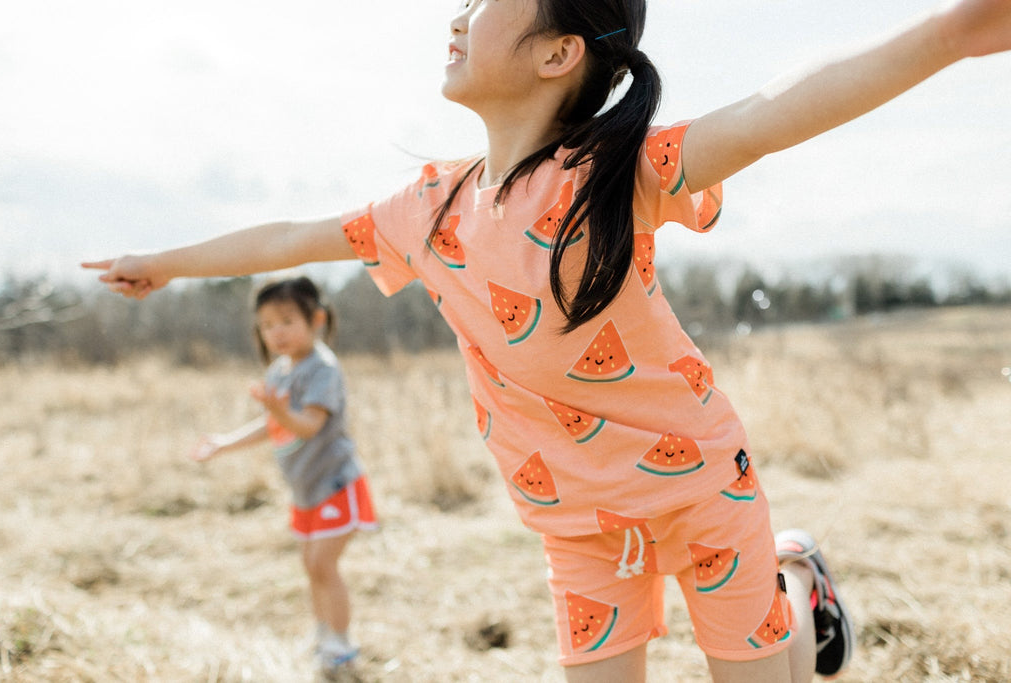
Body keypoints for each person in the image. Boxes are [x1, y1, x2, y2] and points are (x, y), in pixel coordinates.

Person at [82, 1, 1011, 680]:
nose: (457, 13)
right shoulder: (426, 208)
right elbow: (289, 240)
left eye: (485, 1)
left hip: (699, 488)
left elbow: (772, 112)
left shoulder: (615, 172)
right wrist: (164, 260)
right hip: (575, 522)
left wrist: (958, 31)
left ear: (559, 52)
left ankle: (798, 578)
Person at [188, 275, 378, 673]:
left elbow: (307, 424)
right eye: (268, 324)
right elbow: (271, 427)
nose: (277, 332)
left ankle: (342, 645)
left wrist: (277, 411)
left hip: (335, 484)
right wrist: (224, 443)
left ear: (317, 319)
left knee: (324, 565)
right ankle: (323, 632)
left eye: (287, 321)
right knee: (310, 566)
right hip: (306, 490)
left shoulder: (322, 368)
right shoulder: (279, 371)